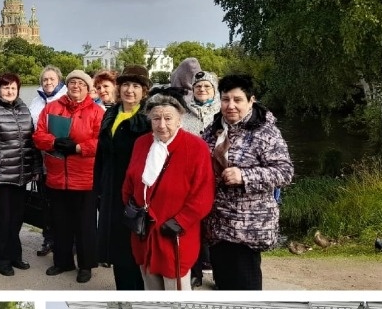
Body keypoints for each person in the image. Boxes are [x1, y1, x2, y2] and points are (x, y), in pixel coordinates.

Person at [202, 73, 294, 289]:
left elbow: (284, 172)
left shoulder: (265, 132)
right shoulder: (213, 130)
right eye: (225, 99)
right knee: (223, 288)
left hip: (248, 228)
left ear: (251, 101)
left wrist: (245, 176)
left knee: (245, 291)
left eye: (237, 100)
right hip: (217, 226)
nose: (230, 106)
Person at [121, 93, 214, 290]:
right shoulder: (141, 143)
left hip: (174, 233)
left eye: (168, 118)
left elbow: (203, 194)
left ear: (180, 119)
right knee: (150, 287)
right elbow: (130, 180)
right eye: (156, 118)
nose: (162, 125)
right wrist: (131, 206)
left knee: (176, 291)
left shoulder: (196, 147)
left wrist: (181, 221)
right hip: (144, 232)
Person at [33, 69, 105, 284]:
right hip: (57, 176)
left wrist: (78, 148)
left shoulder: (97, 111)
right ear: (67, 85)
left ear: (88, 88)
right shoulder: (52, 108)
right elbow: (38, 135)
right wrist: (54, 142)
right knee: (60, 222)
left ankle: (86, 265)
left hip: (84, 178)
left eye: (81, 84)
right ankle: (62, 261)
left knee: (85, 225)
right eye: (73, 82)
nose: (76, 86)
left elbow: (102, 142)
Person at [0, 72, 39, 277]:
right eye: (6, 87)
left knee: (16, 219)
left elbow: (31, 141)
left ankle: (15, 255)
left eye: (13, 88)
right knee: (1, 220)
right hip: (0, 176)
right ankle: (1, 259)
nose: (10, 91)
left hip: (20, 175)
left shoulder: (23, 108)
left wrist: (35, 168)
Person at [94, 65, 152, 290]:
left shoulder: (148, 119)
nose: (129, 90)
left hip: (134, 191)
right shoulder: (111, 113)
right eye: (126, 85)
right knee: (116, 245)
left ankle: (137, 292)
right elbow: (101, 153)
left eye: (136, 86)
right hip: (111, 188)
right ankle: (123, 289)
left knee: (133, 244)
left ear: (144, 91)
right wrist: (98, 186)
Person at [181, 69, 221, 287]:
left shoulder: (223, 113)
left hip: (219, 179)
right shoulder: (184, 115)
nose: (202, 89)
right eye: (198, 87)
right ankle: (195, 271)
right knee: (194, 226)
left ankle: (218, 272)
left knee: (217, 227)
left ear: (214, 90)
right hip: (192, 180)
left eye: (207, 86)